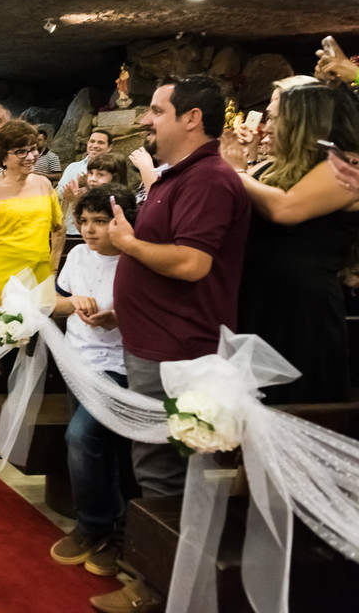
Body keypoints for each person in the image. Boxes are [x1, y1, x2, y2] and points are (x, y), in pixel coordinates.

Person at [95, 76, 251, 613]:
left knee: (168, 467)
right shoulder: (176, 175)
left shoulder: (207, 178)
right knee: (155, 461)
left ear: (192, 119)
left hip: (178, 347)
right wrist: (124, 306)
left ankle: (163, 587)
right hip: (153, 336)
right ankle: (159, 571)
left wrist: (128, 243)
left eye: (158, 110)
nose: (146, 120)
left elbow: (192, 263)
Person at [225, 81, 359, 404]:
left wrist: (235, 173)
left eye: (275, 118)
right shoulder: (272, 167)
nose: (266, 127)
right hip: (259, 303)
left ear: (302, 122)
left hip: (303, 313)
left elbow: (285, 208)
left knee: (299, 408)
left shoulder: (346, 168)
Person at [49, 184, 137, 579]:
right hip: (75, 360)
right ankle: (107, 527)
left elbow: (149, 315)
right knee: (102, 447)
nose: (89, 230)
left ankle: (100, 526)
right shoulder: (79, 255)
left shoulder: (135, 260)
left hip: (116, 363)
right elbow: (55, 301)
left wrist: (117, 316)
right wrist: (74, 304)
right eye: (83, 221)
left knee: (82, 437)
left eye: (99, 222)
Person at [0, 120, 64, 305]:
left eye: (33, 149)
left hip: (39, 276)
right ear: (3, 157)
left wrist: (52, 270)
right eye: (21, 151)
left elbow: (59, 228)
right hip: (1, 278)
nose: (30, 156)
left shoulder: (43, 184)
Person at [58, 129, 113, 234]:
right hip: (71, 229)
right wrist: (75, 187)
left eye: (100, 142)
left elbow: (112, 198)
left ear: (109, 147)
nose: (95, 145)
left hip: (100, 231)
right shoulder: (73, 167)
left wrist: (88, 187)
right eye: (92, 141)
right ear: (87, 144)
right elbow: (60, 194)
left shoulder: (113, 169)